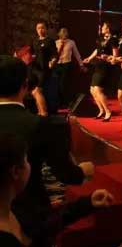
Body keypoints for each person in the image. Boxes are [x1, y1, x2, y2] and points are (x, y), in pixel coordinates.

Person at [0, 56, 95, 244]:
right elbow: (65, 173)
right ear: (25, 85)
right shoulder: (41, 125)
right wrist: (83, 172)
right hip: (30, 212)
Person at [0, 134, 114, 247]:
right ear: (15, 172)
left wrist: (88, 203)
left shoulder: (16, 205)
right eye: (26, 161)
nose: (29, 165)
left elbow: (44, 223)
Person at [82, 22, 117, 121]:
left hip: (106, 66)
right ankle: (101, 110)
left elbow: (115, 55)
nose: (101, 28)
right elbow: (97, 50)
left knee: (97, 89)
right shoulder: (101, 38)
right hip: (98, 65)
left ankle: (108, 111)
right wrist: (89, 58)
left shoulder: (113, 39)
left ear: (108, 29)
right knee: (92, 90)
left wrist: (108, 57)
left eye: (104, 27)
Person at [30, 21, 58, 116]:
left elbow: (55, 54)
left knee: (37, 91)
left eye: (42, 28)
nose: (40, 30)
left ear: (46, 29)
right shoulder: (34, 41)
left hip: (44, 70)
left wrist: (52, 61)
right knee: (34, 92)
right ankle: (40, 112)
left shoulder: (50, 41)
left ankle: (44, 113)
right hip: (34, 70)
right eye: (38, 28)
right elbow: (30, 53)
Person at [53, 28, 85, 111]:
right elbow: (54, 54)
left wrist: (81, 64)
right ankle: (58, 103)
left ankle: (65, 103)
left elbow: (76, 54)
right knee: (56, 84)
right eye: (62, 32)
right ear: (59, 34)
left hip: (66, 65)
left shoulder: (71, 42)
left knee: (63, 84)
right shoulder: (56, 42)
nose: (64, 34)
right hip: (57, 65)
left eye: (65, 32)